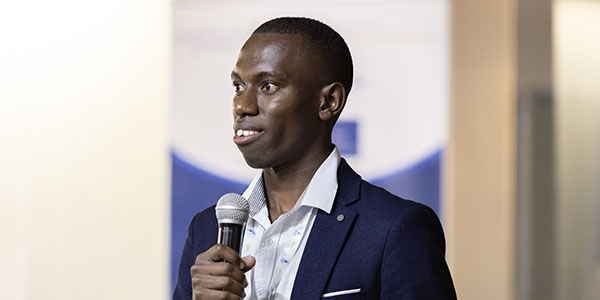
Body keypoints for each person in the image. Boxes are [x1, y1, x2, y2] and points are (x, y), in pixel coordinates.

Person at [173, 17, 456, 300]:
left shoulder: (394, 228)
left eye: (268, 86)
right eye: (238, 86)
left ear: (328, 102)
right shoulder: (206, 228)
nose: (241, 105)